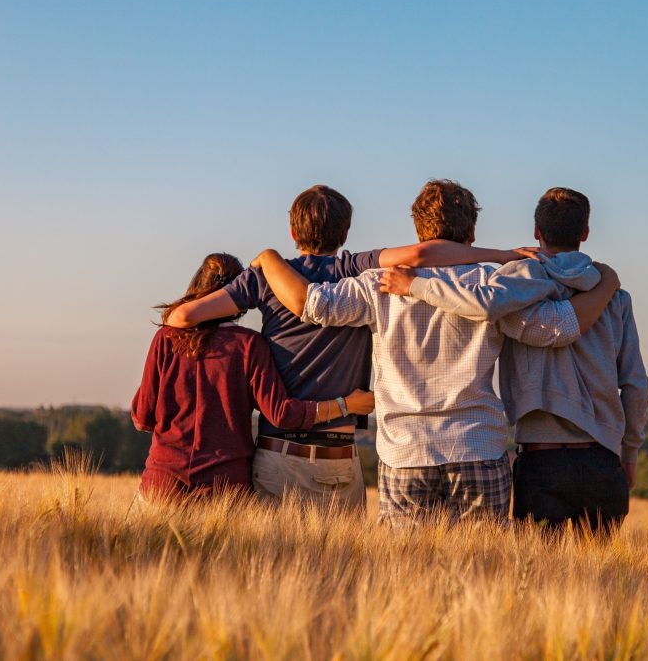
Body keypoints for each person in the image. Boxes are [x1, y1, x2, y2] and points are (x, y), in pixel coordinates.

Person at [250, 180, 621, 526]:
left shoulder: (377, 284)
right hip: (477, 446)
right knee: (483, 574)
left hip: (405, 452)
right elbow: (556, 329)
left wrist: (268, 259)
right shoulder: (493, 285)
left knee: (406, 576)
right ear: (472, 233)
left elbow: (312, 305)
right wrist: (606, 285)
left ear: (418, 231)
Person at [164, 184, 537, 509]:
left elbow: (182, 319)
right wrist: (502, 256)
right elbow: (423, 255)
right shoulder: (355, 268)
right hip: (342, 456)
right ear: (345, 233)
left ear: (292, 230)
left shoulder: (265, 277)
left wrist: (264, 263)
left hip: (280, 452)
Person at [380, 187, 648, 534]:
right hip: (603, 459)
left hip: (540, 460)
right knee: (601, 581)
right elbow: (636, 385)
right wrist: (629, 452)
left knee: (536, 578)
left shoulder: (513, 286)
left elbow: (483, 304)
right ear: (584, 233)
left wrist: (415, 285)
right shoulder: (615, 296)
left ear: (537, 232)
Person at [131, 252, 374, 502]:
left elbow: (143, 418)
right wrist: (346, 405)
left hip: (162, 485)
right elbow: (282, 414)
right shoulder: (249, 345)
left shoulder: (166, 339)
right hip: (225, 491)